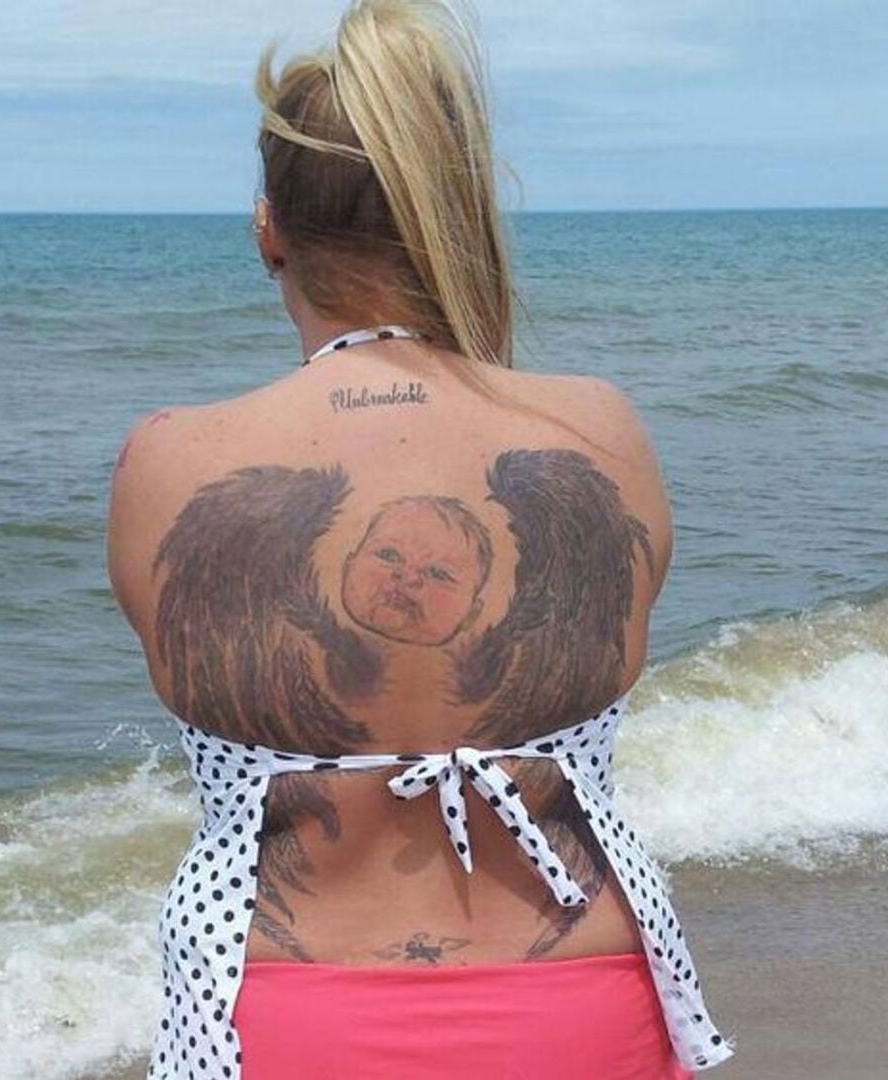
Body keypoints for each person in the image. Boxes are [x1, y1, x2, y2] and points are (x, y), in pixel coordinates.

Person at [107, 1, 733, 1076]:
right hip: (577, 995)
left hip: (289, 1009)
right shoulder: (596, 431)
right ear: (457, 214)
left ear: (269, 228)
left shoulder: (171, 460)